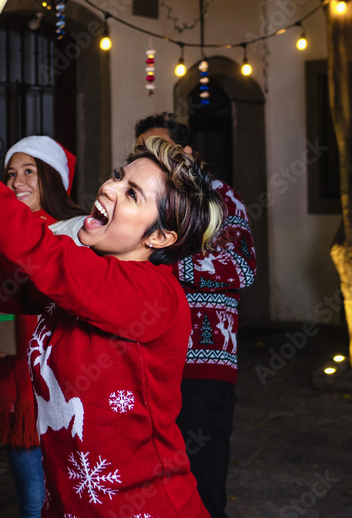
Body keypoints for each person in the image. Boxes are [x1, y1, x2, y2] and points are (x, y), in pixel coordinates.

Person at [0, 89, 225, 518]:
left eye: (131, 195)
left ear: (160, 237)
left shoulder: (154, 296)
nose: (108, 187)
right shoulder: (79, 271)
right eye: (117, 176)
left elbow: (40, 251)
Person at [134, 113, 256, 518]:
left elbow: (242, 266)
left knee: (202, 483)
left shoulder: (221, 198)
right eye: (141, 150)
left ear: (185, 152)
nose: (149, 157)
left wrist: (166, 264)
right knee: (155, 480)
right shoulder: (145, 201)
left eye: (159, 148)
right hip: (150, 361)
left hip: (204, 364)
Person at [0, 136, 85, 518]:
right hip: (17, 403)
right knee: (33, 501)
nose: (17, 181)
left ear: (53, 178)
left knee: (74, 498)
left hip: (67, 394)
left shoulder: (78, 235)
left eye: (29, 171)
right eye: (11, 173)